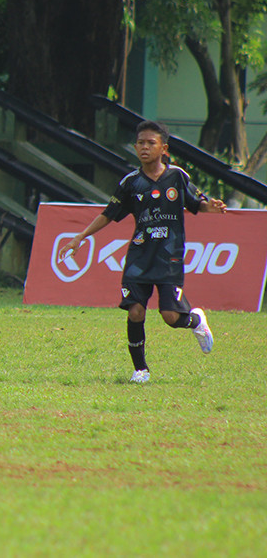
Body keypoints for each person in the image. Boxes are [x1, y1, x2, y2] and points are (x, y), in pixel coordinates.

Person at [57, 120, 227, 384]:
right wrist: (80, 237)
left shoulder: (177, 177)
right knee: (136, 311)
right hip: (138, 258)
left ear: (164, 148)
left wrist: (211, 207)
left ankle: (195, 321)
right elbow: (108, 214)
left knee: (171, 317)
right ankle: (141, 370)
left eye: (151, 143)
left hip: (169, 257)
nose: (145, 147)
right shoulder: (130, 183)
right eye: (141, 143)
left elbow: (198, 202)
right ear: (135, 147)